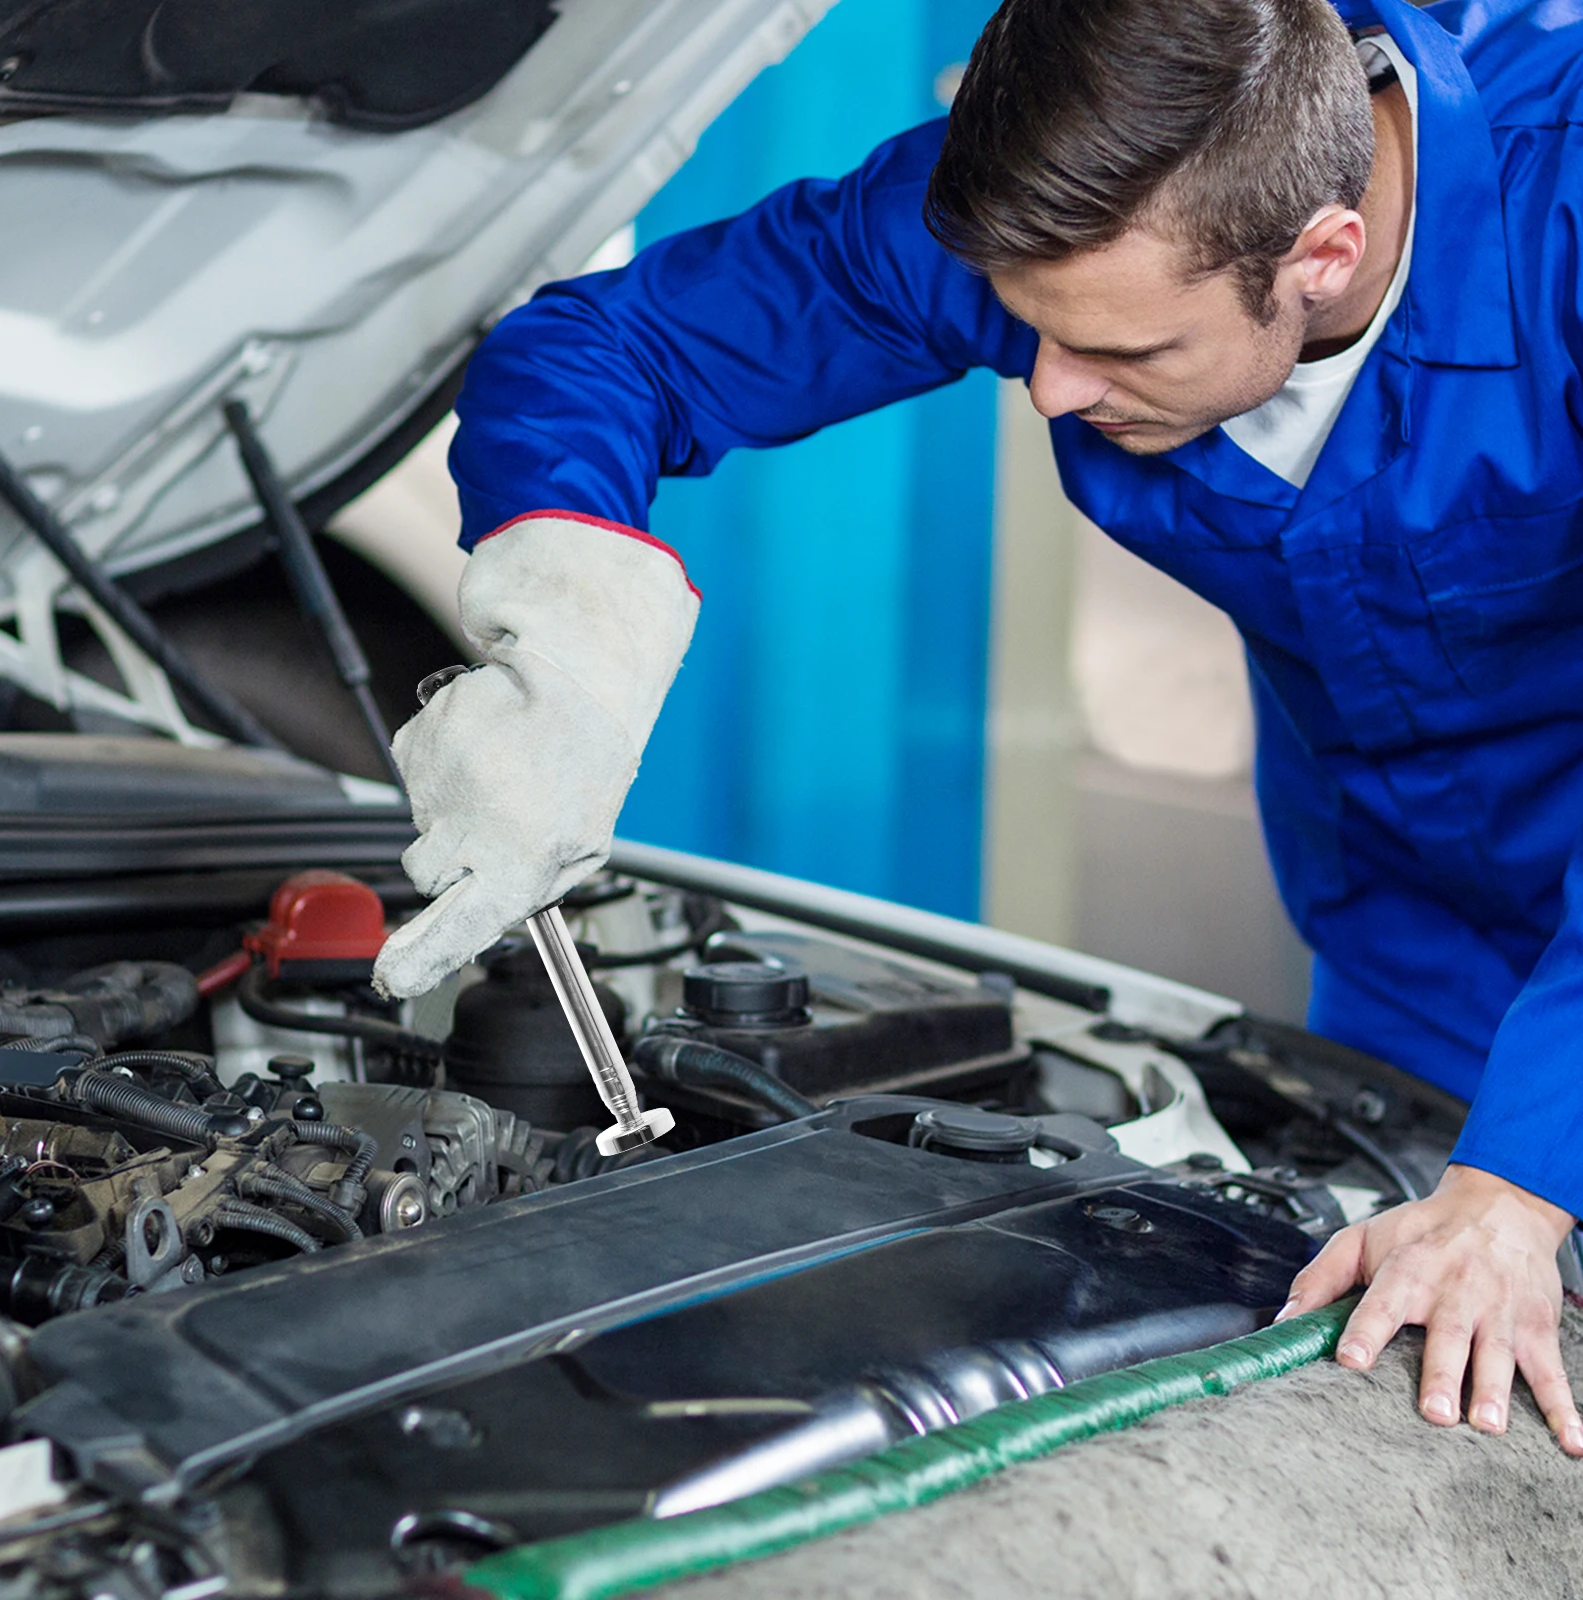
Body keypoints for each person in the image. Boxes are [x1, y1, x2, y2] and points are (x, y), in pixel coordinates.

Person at [372, 0, 1583, 1455]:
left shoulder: (1558, 207)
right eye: (1033, 330)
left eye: (1121, 348)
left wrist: (1519, 1184)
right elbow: (608, 346)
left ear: (1322, 255)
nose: (1055, 388)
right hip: (1406, 933)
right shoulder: (1080, 203)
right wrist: (565, 611)